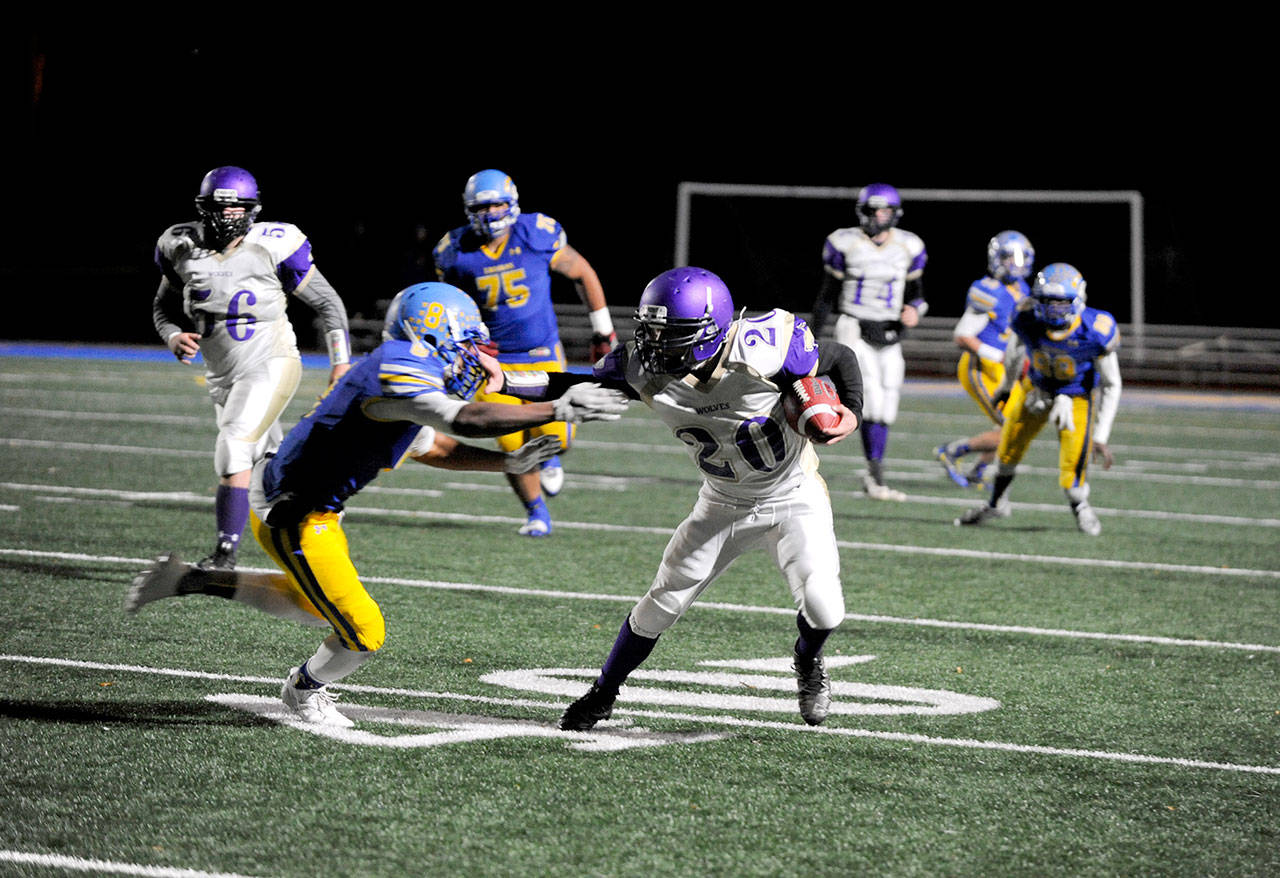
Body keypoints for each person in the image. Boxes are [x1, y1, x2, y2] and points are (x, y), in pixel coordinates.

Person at [125, 283, 629, 728]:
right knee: (363, 630)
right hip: (293, 512)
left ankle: (192, 580)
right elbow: (465, 418)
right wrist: (556, 409)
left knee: (314, 603)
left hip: (303, 503)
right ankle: (303, 692)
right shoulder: (398, 370)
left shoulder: (405, 373)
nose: (476, 357)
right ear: (435, 335)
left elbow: (436, 446)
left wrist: (510, 464)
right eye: (468, 345)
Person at [548, 267, 863, 731]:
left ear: (709, 333)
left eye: (668, 334)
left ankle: (806, 662)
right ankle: (602, 694)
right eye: (650, 330)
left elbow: (840, 356)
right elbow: (564, 384)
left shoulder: (766, 345)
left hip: (793, 494)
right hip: (721, 503)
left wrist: (848, 414)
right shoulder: (639, 367)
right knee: (660, 605)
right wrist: (499, 383)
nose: (653, 344)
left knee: (825, 606)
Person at [152, 166, 353, 571]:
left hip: (271, 362)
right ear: (202, 208)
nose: (228, 216)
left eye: (236, 208)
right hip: (223, 377)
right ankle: (319, 505)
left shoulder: (273, 245)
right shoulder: (181, 245)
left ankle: (225, 554)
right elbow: (163, 308)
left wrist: (341, 361)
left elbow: (329, 304)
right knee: (266, 461)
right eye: (219, 208)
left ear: (252, 209)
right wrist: (172, 334)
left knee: (233, 447)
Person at [432, 169, 617, 537]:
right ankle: (536, 512)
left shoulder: (536, 234)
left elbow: (583, 272)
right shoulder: (453, 251)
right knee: (511, 445)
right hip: (491, 361)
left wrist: (603, 330)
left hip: (541, 354)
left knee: (557, 438)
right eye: (482, 207)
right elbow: (448, 304)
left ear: (512, 203)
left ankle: (548, 460)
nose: (491, 213)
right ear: (470, 210)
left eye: (498, 204)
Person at [956, 263, 1121, 536]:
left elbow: (1112, 383)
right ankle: (996, 503)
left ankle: (1080, 506)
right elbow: (1013, 352)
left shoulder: (1096, 329)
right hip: (1036, 389)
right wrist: (1007, 386)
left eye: (1061, 303)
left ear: (1078, 300)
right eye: (1048, 302)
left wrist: (1101, 435)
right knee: (1008, 448)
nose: (1054, 309)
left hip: (1076, 396)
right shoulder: (1026, 316)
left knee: (1073, 466)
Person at [810, 183, 926, 502]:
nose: (877, 217)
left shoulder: (909, 246)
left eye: (884, 211)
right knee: (870, 398)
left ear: (895, 214)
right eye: (872, 210)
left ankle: (873, 475)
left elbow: (918, 297)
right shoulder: (844, 242)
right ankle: (876, 477)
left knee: (887, 402)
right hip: (854, 326)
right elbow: (827, 296)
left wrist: (915, 310)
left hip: (890, 333)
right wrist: (812, 338)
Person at [935, 231, 1036, 488]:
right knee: (1013, 427)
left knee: (1017, 425)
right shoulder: (988, 291)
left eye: (1020, 258)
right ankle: (952, 451)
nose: (1016, 263)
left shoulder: (1022, 288)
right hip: (979, 367)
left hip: (1004, 368)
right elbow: (963, 335)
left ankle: (978, 470)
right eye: (1009, 258)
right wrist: (1000, 355)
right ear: (995, 259)